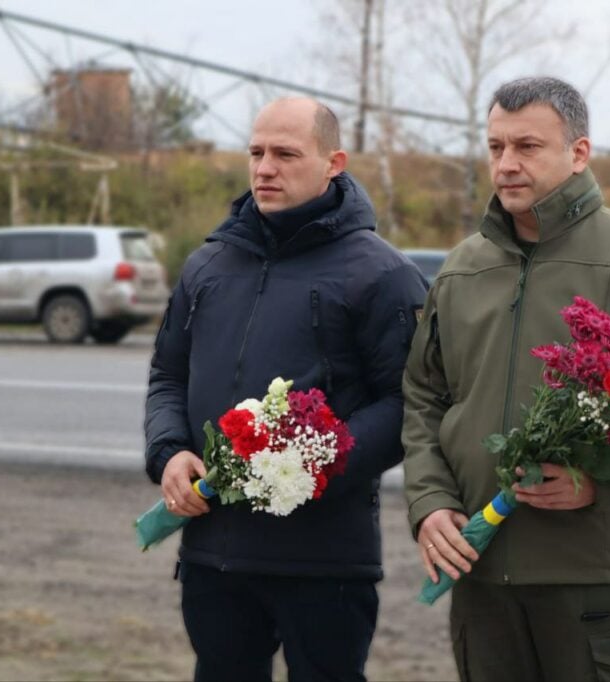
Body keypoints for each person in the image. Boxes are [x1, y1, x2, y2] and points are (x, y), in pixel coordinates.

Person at [402, 77, 610, 682]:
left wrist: (608, 476)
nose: (506, 165)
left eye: (527, 146)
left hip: (593, 580)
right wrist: (429, 502)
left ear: (578, 153)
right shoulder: (460, 270)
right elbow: (425, 397)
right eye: (495, 147)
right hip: (479, 579)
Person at [144, 97, 428, 682]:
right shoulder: (207, 266)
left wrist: (311, 466)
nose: (265, 168)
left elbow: (410, 404)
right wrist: (168, 452)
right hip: (214, 552)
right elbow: (168, 375)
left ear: (334, 163)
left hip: (324, 560)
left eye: (285, 154)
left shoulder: (382, 274)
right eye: (256, 152)